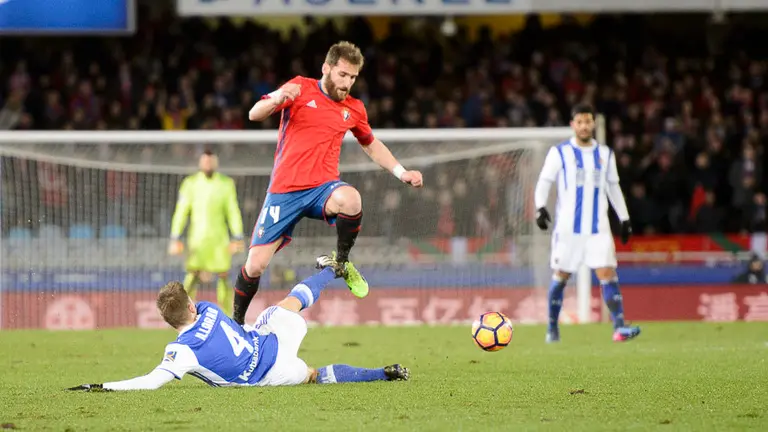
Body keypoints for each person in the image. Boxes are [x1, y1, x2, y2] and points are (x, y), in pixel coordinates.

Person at [234, 40, 424, 325]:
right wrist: (278, 97)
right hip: (283, 192)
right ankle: (235, 323)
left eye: (353, 77)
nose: (347, 83)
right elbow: (253, 114)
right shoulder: (299, 87)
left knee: (351, 199)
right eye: (342, 75)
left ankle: (342, 262)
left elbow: (370, 144)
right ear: (327, 68)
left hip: (322, 189)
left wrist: (401, 172)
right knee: (256, 265)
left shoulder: (354, 108)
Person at [66, 256, 410, 392]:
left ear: (167, 322)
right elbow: (220, 321)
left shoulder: (182, 351)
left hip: (268, 372)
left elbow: (151, 382)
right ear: (189, 304)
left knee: (312, 375)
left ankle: (382, 374)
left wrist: (103, 386)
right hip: (266, 338)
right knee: (290, 304)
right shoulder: (208, 308)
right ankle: (329, 270)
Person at [534, 103, 641, 343]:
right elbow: (544, 182)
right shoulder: (559, 152)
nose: (584, 126)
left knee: (607, 273)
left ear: (593, 124)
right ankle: (552, 328)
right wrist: (540, 208)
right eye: (579, 122)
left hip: (598, 229)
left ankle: (620, 327)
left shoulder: (605, 154)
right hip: (568, 229)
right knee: (560, 276)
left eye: (587, 121)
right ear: (573, 125)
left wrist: (624, 218)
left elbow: (613, 187)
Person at [168, 150, 244, 317]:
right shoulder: (190, 183)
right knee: (193, 274)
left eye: (211, 161)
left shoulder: (226, 183)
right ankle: (184, 314)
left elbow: (233, 211)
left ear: (215, 163)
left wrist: (237, 236)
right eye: (205, 161)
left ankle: (227, 316)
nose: (208, 164)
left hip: (219, 240)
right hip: (197, 240)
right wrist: (175, 237)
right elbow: (181, 212)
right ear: (200, 163)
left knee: (224, 274)